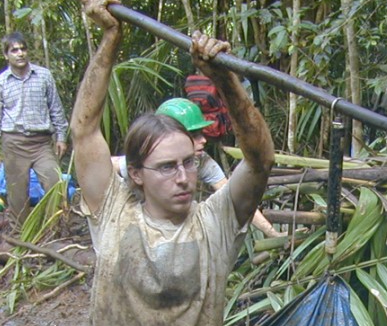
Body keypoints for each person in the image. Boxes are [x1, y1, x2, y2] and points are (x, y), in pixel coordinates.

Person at [74, 0, 275, 326]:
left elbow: (260, 160)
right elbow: (85, 131)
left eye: (189, 162)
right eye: (167, 167)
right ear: (137, 174)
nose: (184, 177)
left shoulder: (215, 221)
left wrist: (224, 79)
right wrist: (108, 39)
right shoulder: (114, 212)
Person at [113, 97, 284, 237]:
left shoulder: (202, 161)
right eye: (194, 135)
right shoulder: (140, 163)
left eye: (187, 163)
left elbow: (233, 199)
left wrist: (272, 233)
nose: (203, 140)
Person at [0, 32, 69, 226]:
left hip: (41, 143)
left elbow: (56, 108)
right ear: (7, 55)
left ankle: (52, 229)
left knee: (54, 182)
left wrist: (61, 137)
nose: (20, 53)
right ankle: (22, 235)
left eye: (23, 49)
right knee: (17, 194)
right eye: (14, 50)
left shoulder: (43, 76)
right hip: (14, 144)